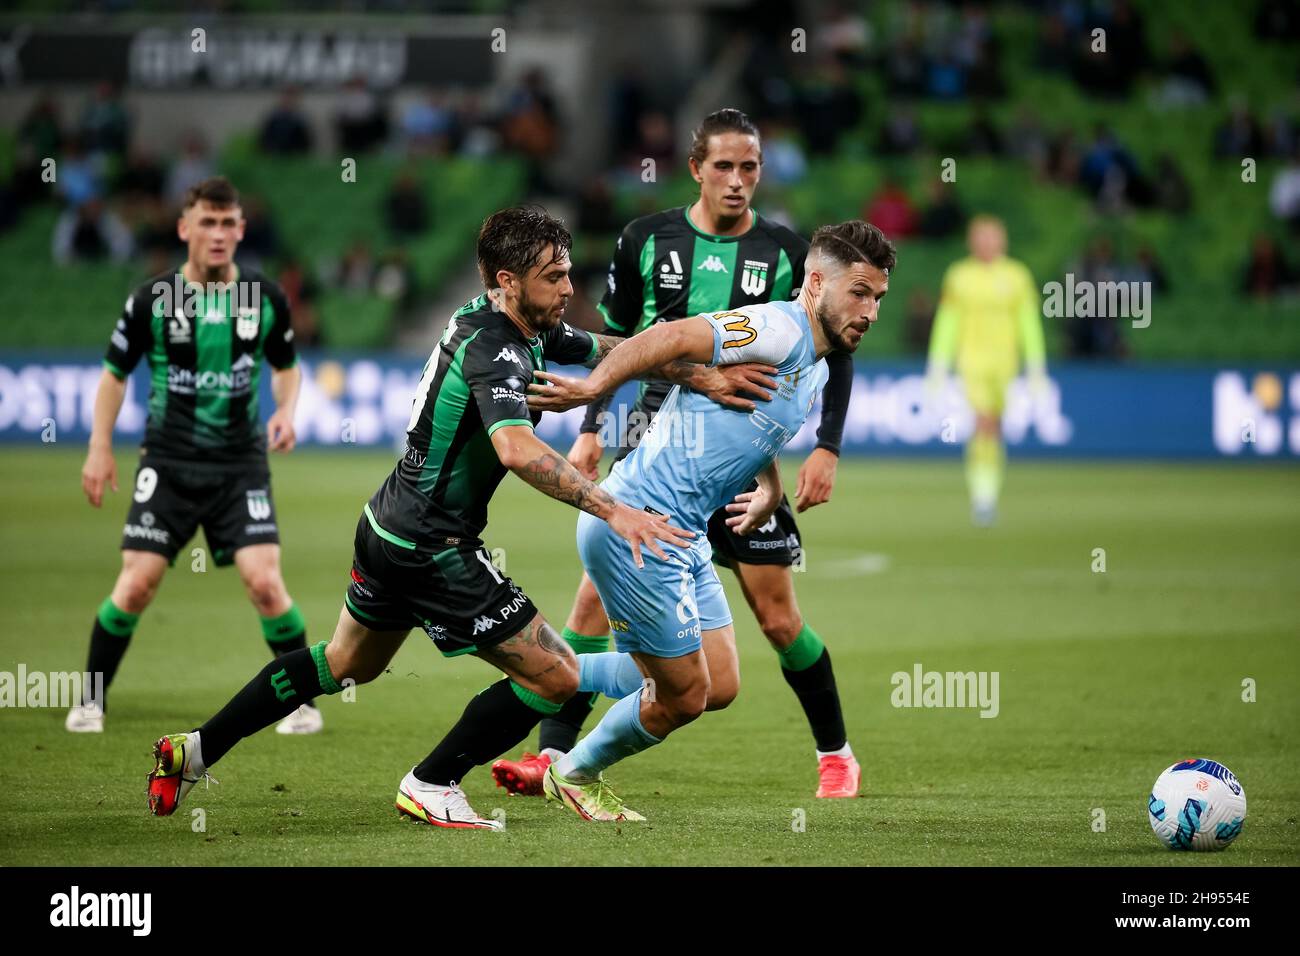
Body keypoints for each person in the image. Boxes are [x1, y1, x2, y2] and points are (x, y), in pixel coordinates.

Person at [145, 205, 768, 829]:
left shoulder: (521, 323)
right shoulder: (494, 346)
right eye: (553, 276)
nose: (569, 287)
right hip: (433, 546)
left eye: (568, 272)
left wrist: (700, 374)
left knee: (345, 663)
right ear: (506, 280)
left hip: (387, 526)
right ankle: (432, 782)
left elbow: (613, 349)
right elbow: (516, 449)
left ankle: (194, 749)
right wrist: (615, 509)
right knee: (556, 678)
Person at [493, 108, 864, 800]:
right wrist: (596, 421)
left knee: (777, 618)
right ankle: (554, 758)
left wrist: (826, 447)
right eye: (723, 166)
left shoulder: (789, 256)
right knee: (593, 611)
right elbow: (620, 333)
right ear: (695, 168)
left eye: (749, 167)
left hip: (745, 452)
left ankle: (835, 753)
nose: (736, 180)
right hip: (660, 442)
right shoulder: (645, 239)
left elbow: (829, 354)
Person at [524, 220, 895, 821]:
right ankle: (572, 770)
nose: (870, 311)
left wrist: (770, 487)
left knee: (718, 683)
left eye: (879, 297)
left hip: (684, 534)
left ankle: (541, 662)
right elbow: (668, 335)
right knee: (685, 695)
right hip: (635, 527)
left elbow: (758, 423)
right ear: (817, 281)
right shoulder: (773, 327)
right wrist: (593, 386)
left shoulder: (820, 363)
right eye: (859, 292)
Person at [68, 176, 317, 734]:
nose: (219, 232)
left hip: (239, 465)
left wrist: (285, 410)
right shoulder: (151, 299)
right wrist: (98, 447)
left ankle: (301, 701)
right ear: (184, 228)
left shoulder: (264, 297)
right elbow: (113, 376)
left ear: (242, 230)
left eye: (229, 222)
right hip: (168, 462)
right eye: (207, 221)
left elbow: (285, 366)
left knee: (265, 583)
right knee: (135, 584)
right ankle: (90, 698)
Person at [925, 215, 1046, 526]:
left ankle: (987, 491)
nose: (987, 243)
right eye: (981, 237)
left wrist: (1036, 365)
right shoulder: (960, 275)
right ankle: (983, 497)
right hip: (973, 362)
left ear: (1002, 240)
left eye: (992, 237)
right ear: (972, 241)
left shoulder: (1017, 276)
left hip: (1006, 363)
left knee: (995, 426)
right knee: (984, 422)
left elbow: (1028, 322)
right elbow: (948, 322)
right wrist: (938, 363)